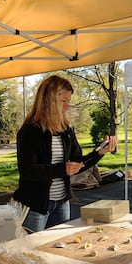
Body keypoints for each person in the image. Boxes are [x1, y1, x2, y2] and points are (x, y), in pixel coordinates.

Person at [13, 75, 117, 233]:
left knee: (59, 247)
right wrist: (62, 169)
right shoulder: (30, 130)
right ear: (49, 99)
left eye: (69, 101)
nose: (67, 106)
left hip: (62, 203)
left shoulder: (66, 130)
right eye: (64, 101)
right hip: (36, 206)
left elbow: (77, 164)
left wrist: (99, 152)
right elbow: (28, 171)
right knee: (33, 252)